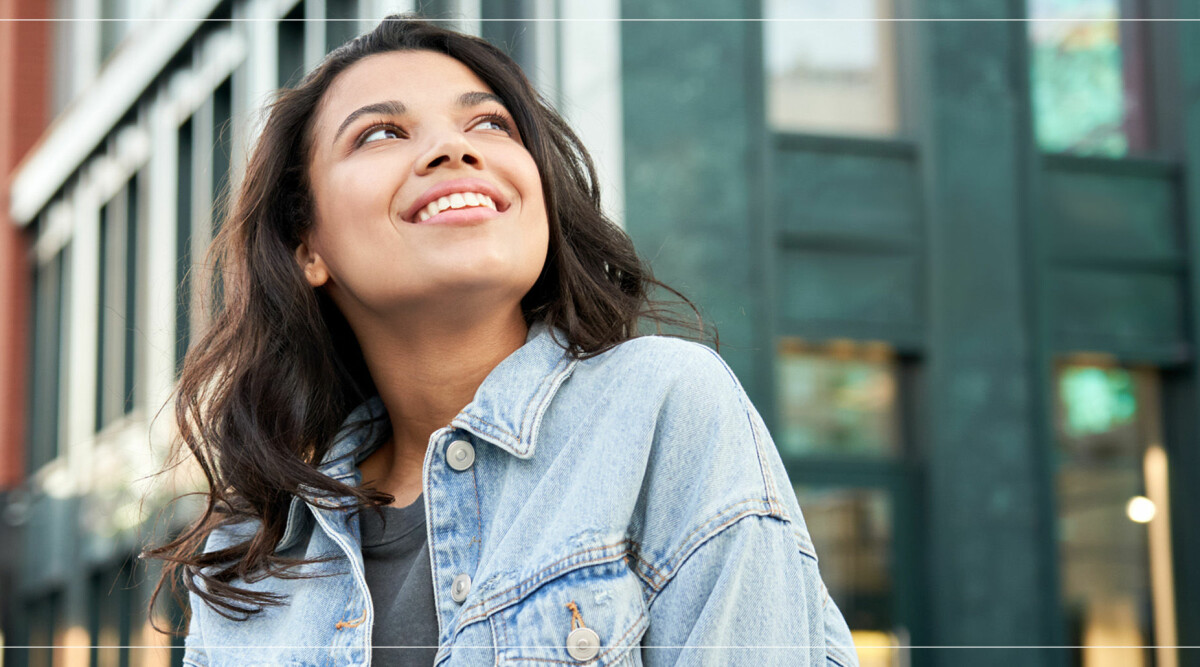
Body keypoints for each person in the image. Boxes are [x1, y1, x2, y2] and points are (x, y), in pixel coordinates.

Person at [145, 15, 858, 667]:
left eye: (489, 124)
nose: (452, 147)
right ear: (308, 245)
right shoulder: (250, 557)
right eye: (381, 133)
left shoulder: (662, 407)